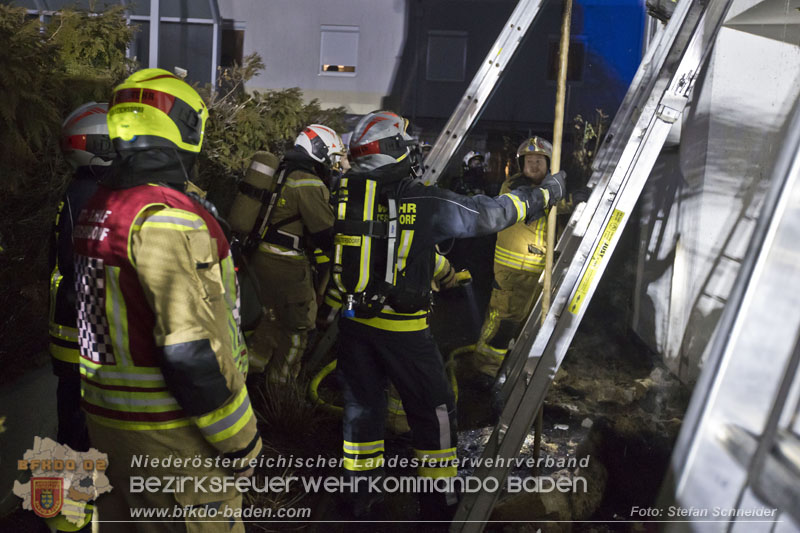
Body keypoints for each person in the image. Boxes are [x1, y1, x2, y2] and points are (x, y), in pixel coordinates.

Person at [334, 111, 565, 520]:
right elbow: (490, 214)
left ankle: (358, 496)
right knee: (435, 410)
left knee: (362, 409)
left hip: (353, 324)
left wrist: (443, 272)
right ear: (392, 151)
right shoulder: (420, 199)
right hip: (402, 332)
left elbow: (396, 247)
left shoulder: (346, 192)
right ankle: (439, 503)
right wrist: (547, 192)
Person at [72, 68, 261, 532]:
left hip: (109, 431)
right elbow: (189, 352)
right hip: (171, 441)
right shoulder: (165, 218)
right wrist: (240, 442)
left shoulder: (102, 206)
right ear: (188, 126)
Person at [471, 136, 588, 383]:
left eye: (539, 160)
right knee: (503, 322)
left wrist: (573, 196)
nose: (533, 165)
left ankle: (524, 366)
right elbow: (538, 203)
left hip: (539, 271)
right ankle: (484, 369)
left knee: (533, 322)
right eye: (529, 160)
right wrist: (569, 198)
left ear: (549, 164)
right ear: (520, 164)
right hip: (513, 271)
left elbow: (552, 203)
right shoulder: (514, 188)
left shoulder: (548, 187)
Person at [246, 124, 345, 384]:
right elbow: (325, 234)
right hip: (287, 265)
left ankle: (250, 380)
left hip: (259, 258)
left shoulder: (279, 170)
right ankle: (281, 388)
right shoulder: (309, 182)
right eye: (331, 157)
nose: (333, 165)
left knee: (268, 322)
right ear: (319, 150)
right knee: (298, 329)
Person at [49, 102, 115, 453]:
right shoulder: (95, 194)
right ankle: (76, 496)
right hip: (86, 324)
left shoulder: (79, 188)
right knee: (85, 418)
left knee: (72, 410)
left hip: (68, 319)